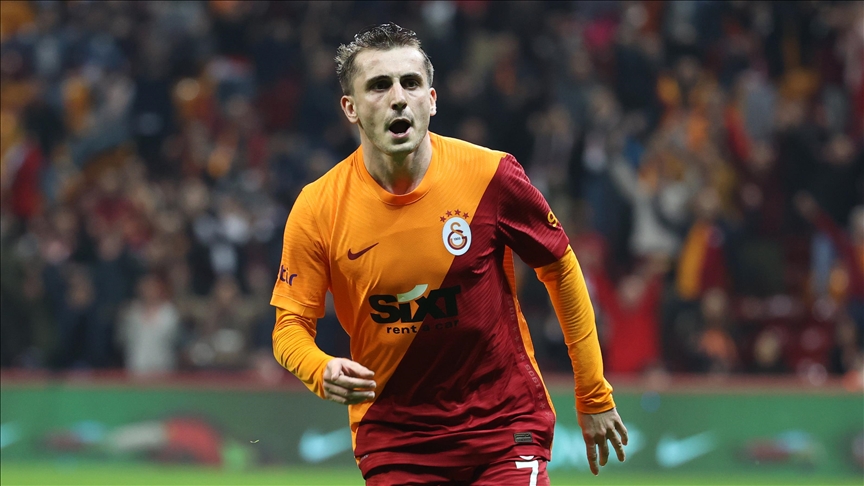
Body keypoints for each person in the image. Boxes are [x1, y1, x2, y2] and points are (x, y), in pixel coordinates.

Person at [271, 23, 627, 485]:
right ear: (350, 108)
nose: (398, 98)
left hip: (504, 425)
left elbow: (561, 268)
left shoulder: (490, 175)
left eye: (410, 83)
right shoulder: (318, 207)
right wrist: (320, 368)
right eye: (379, 86)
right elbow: (289, 328)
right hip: (397, 438)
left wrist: (593, 393)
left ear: (432, 100)